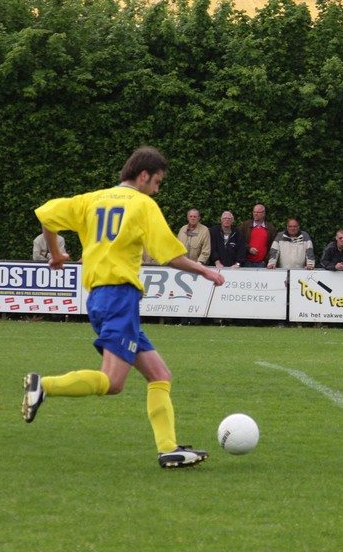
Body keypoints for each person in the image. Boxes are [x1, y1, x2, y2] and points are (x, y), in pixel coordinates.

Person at [22, 146, 225, 469]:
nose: (157, 190)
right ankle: (43, 385)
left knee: (159, 374)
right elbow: (169, 255)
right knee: (113, 382)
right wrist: (205, 271)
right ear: (143, 176)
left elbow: (45, 215)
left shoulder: (92, 199)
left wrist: (56, 254)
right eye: (157, 182)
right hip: (119, 296)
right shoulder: (143, 205)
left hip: (100, 297)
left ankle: (168, 449)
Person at [239, 204, 277, 268]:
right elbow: (239, 241)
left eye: (258, 212)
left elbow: (273, 247)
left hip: (262, 264)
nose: (255, 214)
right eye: (254, 212)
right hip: (246, 262)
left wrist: (265, 261)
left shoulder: (271, 228)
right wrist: (248, 249)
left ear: (264, 214)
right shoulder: (245, 225)